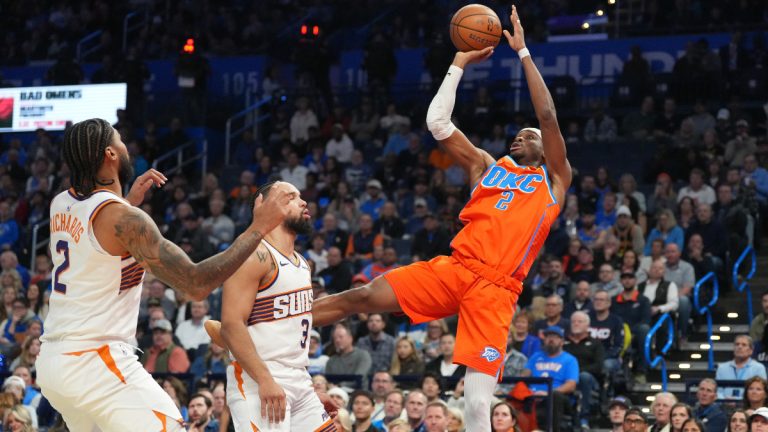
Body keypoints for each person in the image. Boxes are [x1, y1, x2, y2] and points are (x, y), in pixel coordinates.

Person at [311, 8, 572, 432]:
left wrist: (523, 52)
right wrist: (458, 62)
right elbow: (437, 122)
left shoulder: (554, 181)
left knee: (476, 405)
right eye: (517, 134)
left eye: (529, 137)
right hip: (455, 268)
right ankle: (270, 323)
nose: (520, 136)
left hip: (496, 290)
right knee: (362, 297)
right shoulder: (488, 167)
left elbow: (547, 117)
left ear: (545, 151)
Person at [36, 119, 293, 431]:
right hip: (94, 361)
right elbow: (195, 284)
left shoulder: (61, 203)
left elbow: (93, 240)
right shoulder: (124, 219)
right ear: (110, 154)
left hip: (52, 361)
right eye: (120, 141)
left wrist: (126, 201)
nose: (125, 147)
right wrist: (259, 226)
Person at [207, 182, 335, 431]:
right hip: (259, 379)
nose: (303, 202)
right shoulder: (253, 254)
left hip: (299, 380)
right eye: (290, 198)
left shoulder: (302, 262)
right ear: (263, 207)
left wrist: (306, 388)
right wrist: (265, 379)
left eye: (300, 196)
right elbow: (232, 325)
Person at [521, 326, 578, 432]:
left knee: (555, 397)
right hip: (533, 395)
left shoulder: (570, 359)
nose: (551, 339)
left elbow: (571, 385)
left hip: (556, 396)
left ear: (562, 342)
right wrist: (529, 392)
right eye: (548, 336)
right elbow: (524, 377)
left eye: (555, 337)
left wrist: (548, 393)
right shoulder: (536, 356)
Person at [716, 335, 767, 399]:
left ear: (751, 350)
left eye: (744, 345)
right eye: (737, 344)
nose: (739, 347)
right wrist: (726, 399)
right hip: (724, 403)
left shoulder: (759, 368)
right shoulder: (722, 368)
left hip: (749, 404)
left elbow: (761, 392)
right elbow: (718, 391)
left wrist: (737, 400)